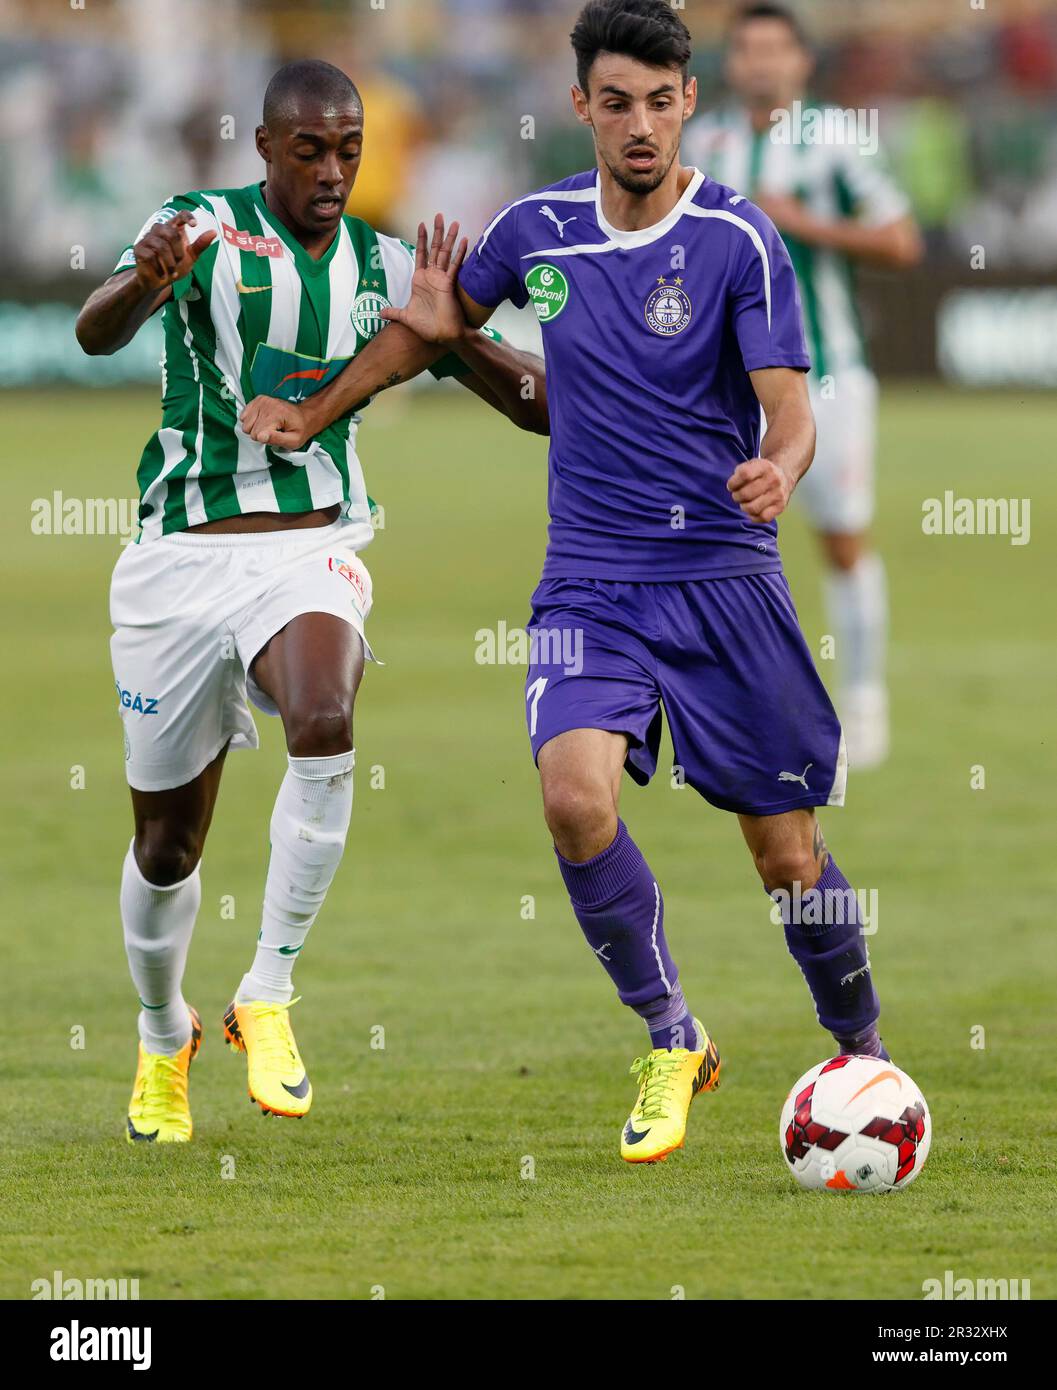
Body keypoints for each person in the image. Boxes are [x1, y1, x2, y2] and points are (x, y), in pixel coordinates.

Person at [242, 2, 891, 1168]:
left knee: (787, 859)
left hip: (722, 576)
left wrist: (778, 471)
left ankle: (860, 1048)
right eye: (616, 102)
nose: (639, 125)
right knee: (574, 799)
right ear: (582, 106)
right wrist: (315, 409)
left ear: (687, 101)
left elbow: (788, 404)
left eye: (659, 100)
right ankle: (670, 1034)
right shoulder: (535, 230)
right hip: (589, 581)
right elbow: (433, 325)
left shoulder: (737, 237)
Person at [75, 58, 546, 1143]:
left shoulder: (387, 265)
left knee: (325, 715)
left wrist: (454, 333)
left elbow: (537, 409)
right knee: (166, 847)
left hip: (314, 544)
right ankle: (162, 1035)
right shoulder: (200, 229)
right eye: (310, 151)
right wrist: (143, 280)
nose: (333, 171)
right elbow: (99, 331)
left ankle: (267, 991)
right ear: (264, 148)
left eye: (350, 150)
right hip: (180, 557)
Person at [685, 3, 923, 768]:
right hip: (724, 387)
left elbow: (899, 239)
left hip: (826, 377)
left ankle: (864, 700)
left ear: (800, 62)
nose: (759, 63)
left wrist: (804, 223)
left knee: (840, 535)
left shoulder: (834, 140)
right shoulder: (704, 140)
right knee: (721, 541)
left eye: (774, 50)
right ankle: (738, 708)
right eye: (746, 49)